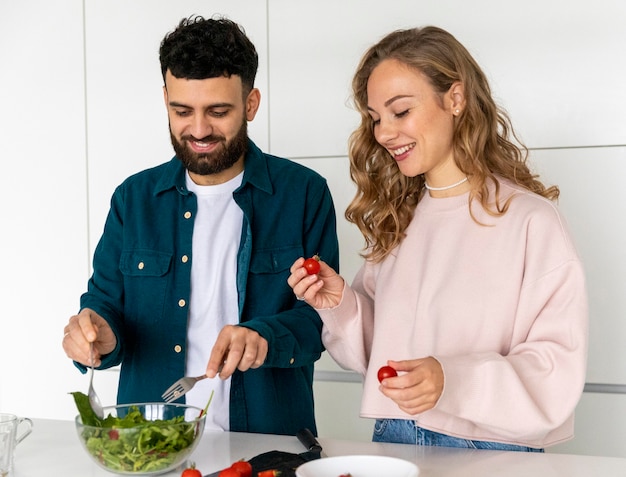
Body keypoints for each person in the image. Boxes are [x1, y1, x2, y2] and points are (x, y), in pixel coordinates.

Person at [288, 26, 587, 451]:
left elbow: (556, 367)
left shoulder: (531, 221)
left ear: (456, 99)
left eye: (401, 111)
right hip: (395, 435)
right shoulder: (399, 219)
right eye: (376, 118)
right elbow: (380, 358)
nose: (385, 133)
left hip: (492, 450)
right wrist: (340, 304)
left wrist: (451, 380)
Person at [62, 15, 339, 436]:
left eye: (218, 111)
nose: (199, 129)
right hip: (152, 445)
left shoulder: (303, 194)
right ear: (165, 100)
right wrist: (95, 334)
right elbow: (106, 308)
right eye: (182, 110)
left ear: (250, 103)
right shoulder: (132, 200)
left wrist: (264, 337)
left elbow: (322, 321)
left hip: (269, 439)